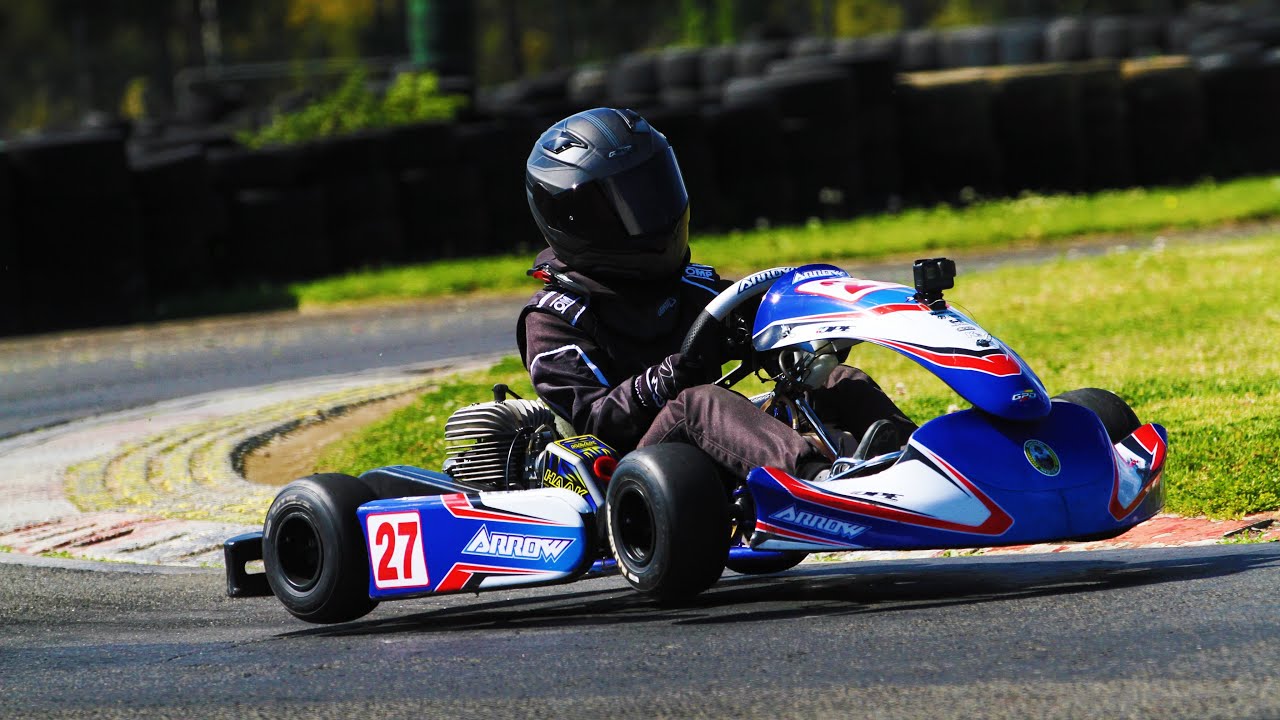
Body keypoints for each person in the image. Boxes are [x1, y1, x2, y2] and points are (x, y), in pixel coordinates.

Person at [517, 107, 916, 480]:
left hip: (708, 452)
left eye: (653, 191)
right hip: (629, 472)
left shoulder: (692, 286)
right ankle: (818, 481)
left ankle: (921, 463)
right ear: (576, 219)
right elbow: (597, 421)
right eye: (630, 203)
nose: (652, 212)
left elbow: (771, 337)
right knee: (701, 402)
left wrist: (810, 339)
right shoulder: (554, 318)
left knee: (835, 380)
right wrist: (675, 373)